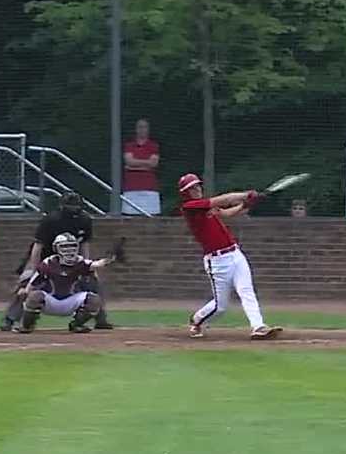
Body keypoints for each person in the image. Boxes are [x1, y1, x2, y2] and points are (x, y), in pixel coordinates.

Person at [178, 173, 283, 341]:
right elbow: (223, 199)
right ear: (185, 192)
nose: (197, 189)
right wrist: (245, 194)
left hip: (235, 253)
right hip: (217, 261)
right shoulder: (190, 207)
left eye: (197, 186)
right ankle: (197, 320)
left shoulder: (206, 207)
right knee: (220, 307)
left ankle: (258, 327)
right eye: (192, 188)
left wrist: (245, 204)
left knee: (246, 291)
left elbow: (226, 213)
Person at [1, 191, 115, 331]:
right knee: (27, 285)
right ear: (62, 206)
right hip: (46, 255)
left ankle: (100, 319)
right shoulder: (51, 220)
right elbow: (38, 245)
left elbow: (84, 244)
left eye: (76, 206)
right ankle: (10, 319)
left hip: (71, 258)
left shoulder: (85, 219)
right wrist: (32, 267)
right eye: (70, 206)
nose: (73, 209)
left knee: (93, 284)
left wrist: (86, 265)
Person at [13, 233, 113, 334]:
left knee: (94, 300)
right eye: (65, 246)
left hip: (71, 301)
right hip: (50, 301)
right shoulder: (48, 263)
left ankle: (77, 324)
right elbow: (34, 281)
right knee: (35, 296)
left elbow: (96, 264)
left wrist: (108, 259)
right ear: (56, 248)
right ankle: (26, 326)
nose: (69, 250)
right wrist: (25, 291)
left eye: (72, 246)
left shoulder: (80, 262)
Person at [121, 118, 160, 216]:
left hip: (149, 187)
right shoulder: (129, 145)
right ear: (136, 129)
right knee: (130, 217)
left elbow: (154, 163)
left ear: (148, 129)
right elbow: (129, 161)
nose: (142, 129)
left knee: (150, 216)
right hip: (131, 187)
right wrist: (146, 165)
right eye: (140, 127)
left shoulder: (153, 145)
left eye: (145, 127)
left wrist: (133, 166)